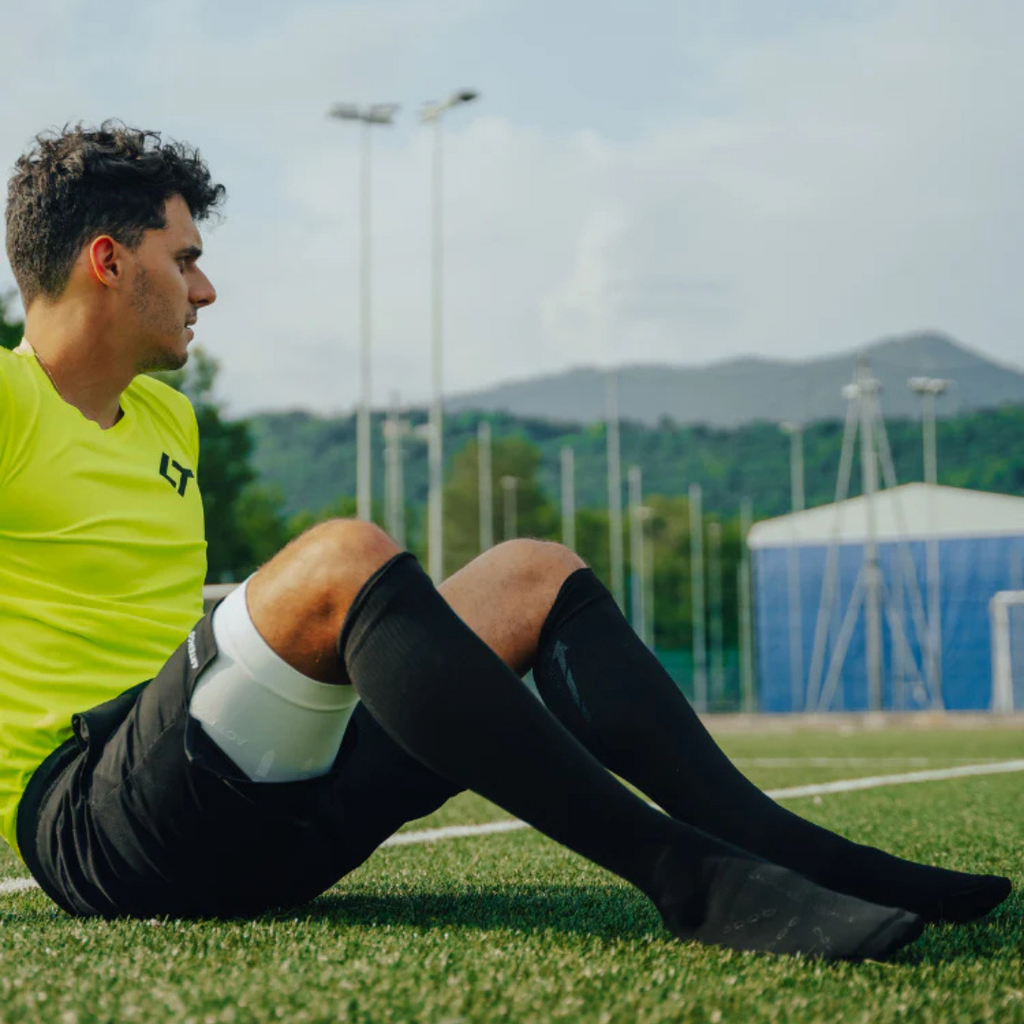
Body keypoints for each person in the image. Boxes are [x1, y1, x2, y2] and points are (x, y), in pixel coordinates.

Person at [0, 123, 1010, 962]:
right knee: (342, 556)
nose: (205, 290)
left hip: (251, 813)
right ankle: (694, 880)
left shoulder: (168, 422)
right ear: (108, 261)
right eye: (185, 259)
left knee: (531, 573)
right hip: (98, 826)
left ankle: (784, 847)